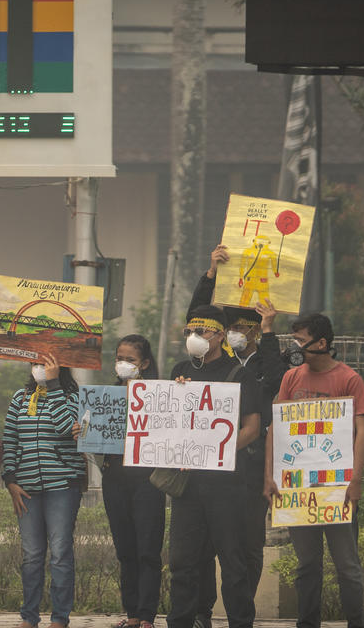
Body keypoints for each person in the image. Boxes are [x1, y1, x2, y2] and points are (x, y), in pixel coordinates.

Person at [188, 248, 288, 626]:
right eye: (233, 328)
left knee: (247, 546)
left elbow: (277, 382)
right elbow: (197, 318)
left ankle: (241, 613)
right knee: (202, 545)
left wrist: (270, 331)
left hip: (251, 465)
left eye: (247, 328)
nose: (238, 333)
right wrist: (211, 273)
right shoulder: (214, 360)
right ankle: (200, 611)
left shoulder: (264, 363)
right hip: (211, 469)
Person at [263, 313, 364, 628]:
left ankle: (356, 622)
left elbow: (361, 431)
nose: (294, 347)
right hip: (297, 490)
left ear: (322, 343)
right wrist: (268, 476)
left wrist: (356, 479)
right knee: (307, 564)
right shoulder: (291, 378)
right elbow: (276, 429)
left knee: (347, 565)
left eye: (300, 340)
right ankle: (307, 622)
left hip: (338, 487)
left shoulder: (349, 379)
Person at [165, 305, 262, 628]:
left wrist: (216, 450)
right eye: (189, 332)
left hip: (227, 487)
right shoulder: (180, 371)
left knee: (233, 562)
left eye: (201, 331)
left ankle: (240, 622)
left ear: (220, 335)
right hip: (187, 486)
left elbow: (252, 427)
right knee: (182, 562)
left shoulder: (240, 376)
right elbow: (168, 422)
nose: (194, 337)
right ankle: (181, 621)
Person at [2, 353, 83, 628]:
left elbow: (64, 427)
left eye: (46, 363)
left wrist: (54, 385)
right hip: (26, 489)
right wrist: (10, 480)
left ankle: (60, 618)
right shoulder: (20, 398)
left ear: (61, 365)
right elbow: (10, 439)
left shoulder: (73, 396)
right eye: (35, 363)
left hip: (63, 486)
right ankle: (29, 616)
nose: (39, 368)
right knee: (32, 555)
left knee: (60, 553)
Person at [98, 336, 164, 628]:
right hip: (114, 478)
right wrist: (84, 429)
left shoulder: (160, 396)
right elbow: (97, 436)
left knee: (148, 549)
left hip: (148, 479)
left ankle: (147, 615)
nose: (123, 364)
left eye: (131, 360)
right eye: (119, 358)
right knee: (125, 549)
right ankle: (132, 615)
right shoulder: (107, 395)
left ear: (145, 363)